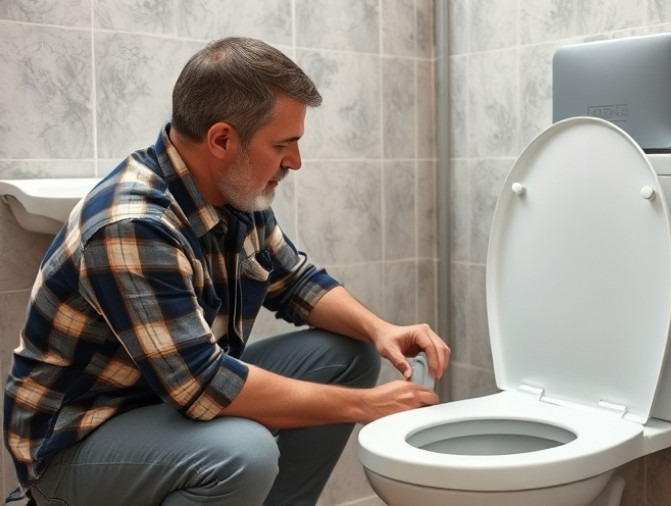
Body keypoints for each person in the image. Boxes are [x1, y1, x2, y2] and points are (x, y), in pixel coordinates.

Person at [3, 36, 449, 506]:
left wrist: (383, 330)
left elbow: (295, 281)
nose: (295, 162)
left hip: (166, 405)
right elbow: (203, 385)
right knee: (242, 453)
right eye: (283, 144)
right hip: (79, 442)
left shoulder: (233, 189)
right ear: (221, 140)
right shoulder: (134, 224)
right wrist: (365, 405)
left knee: (348, 353)